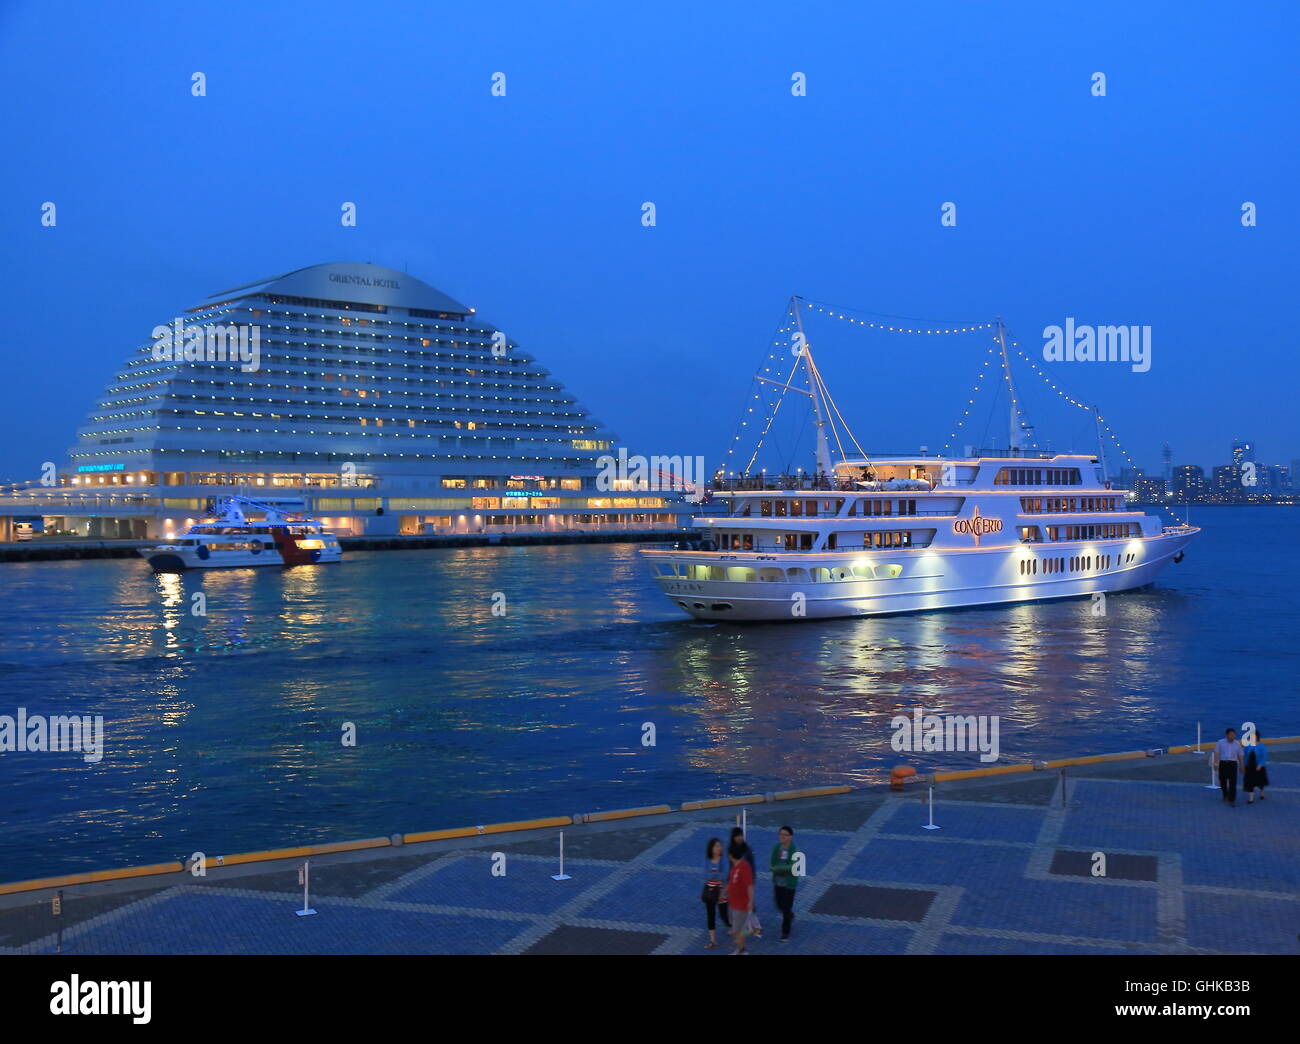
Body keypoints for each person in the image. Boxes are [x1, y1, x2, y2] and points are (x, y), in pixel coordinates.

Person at [729, 826, 761, 938]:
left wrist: (751, 880)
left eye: (740, 835)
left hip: (747, 881)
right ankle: (740, 927)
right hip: (737, 882)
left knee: (749, 904)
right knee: (738, 905)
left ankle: (756, 926)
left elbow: (751, 867)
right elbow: (731, 867)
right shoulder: (731, 850)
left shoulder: (747, 850)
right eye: (737, 835)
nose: (739, 838)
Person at [770, 825, 799, 942]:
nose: (782, 837)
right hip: (778, 882)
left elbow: (792, 867)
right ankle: (790, 915)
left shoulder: (793, 850)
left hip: (789, 884)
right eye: (780, 834)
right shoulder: (777, 848)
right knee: (779, 904)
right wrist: (781, 868)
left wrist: (779, 868)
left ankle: (785, 932)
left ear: (790, 837)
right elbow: (772, 864)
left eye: (785, 835)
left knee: (786, 907)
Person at [726, 838, 754, 954]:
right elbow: (732, 883)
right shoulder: (735, 868)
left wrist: (750, 902)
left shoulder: (743, 867)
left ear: (731, 856)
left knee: (738, 930)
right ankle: (741, 943)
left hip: (741, 905)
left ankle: (742, 950)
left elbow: (750, 885)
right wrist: (724, 892)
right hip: (733, 903)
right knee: (736, 928)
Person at [702, 837, 730, 948]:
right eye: (717, 846)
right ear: (711, 848)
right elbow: (705, 875)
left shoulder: (724, 860)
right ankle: (713, 940)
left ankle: (734, 928)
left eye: (720, 845)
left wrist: (713, 873)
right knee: (711, 915)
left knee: (724, 915)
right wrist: (717, 873)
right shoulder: (707, 860)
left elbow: (725, 875)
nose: (719, 848)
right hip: (710, 891)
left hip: (722, 892)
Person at [1213, 727, 1244, 807]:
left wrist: (1241, 766)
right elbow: (1217, 753)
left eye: (1234, 735)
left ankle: (1232, 799)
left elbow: (1240, 755)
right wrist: (1216, 764)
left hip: (1233, 764)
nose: (1232, 736)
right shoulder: (1220, 742)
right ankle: (1225, 794)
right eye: (1231, 735)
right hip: (1223, 763)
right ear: (1227, 735)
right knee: (1222, 781)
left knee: (1233, 782)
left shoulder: (1237, 743)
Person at [1243, 730, 1269, 804]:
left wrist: (1260, 765)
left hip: (1259, 767)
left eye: (1254, 736)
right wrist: (1244, 765)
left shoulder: (1262, 746)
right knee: (1249, 783)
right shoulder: (1247, 746)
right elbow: (1245, 756)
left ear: (1257, 737)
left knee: (1260, 782)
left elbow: (1264, 757)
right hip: (1249, 767)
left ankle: (1261, 793)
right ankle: (1251, 798)